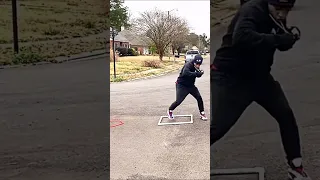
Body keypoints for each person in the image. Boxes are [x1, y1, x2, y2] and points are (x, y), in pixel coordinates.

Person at [210, 0, 311, 179]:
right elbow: (242, 38)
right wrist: (279, 39)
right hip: (231, 78)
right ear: (268, 3)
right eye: (278, 9)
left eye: (286, 10)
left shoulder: (276, 16)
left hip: (260, 78)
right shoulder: (252, 10)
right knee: (218, 128)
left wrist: (286, 41)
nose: (281, 14)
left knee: (285, 115)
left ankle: (296, 168)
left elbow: (276, 40)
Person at [168, 54, 208, 121]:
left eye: (199, 64)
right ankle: (170, 110)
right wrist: (196, 74)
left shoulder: (197, 67)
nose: (198, 65)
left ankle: (202, 113)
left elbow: (197, 75)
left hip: (191, 86)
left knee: (199, 97)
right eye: (197, 64)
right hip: (181, 85)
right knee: (178, 101)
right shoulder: (188, 65)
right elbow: (185, 73)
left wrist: (200, 73)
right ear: (194, 62)